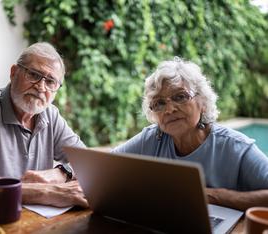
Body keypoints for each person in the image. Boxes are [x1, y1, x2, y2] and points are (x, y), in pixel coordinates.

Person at [113, 58, 268, 211]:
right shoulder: (153, 138)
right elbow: (105, 169)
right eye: (159, 103)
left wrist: (215, 196)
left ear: (202, 103)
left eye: (180, 97)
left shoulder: (236, 147)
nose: (169, 109)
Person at [0, 42, 88, 208]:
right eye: (34, 74)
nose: (41, 87)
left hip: (29, 219)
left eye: (50, 81)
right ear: (13, 73)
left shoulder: (51, 115)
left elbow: (88, 165)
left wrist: (62, 172)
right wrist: (47, 192)